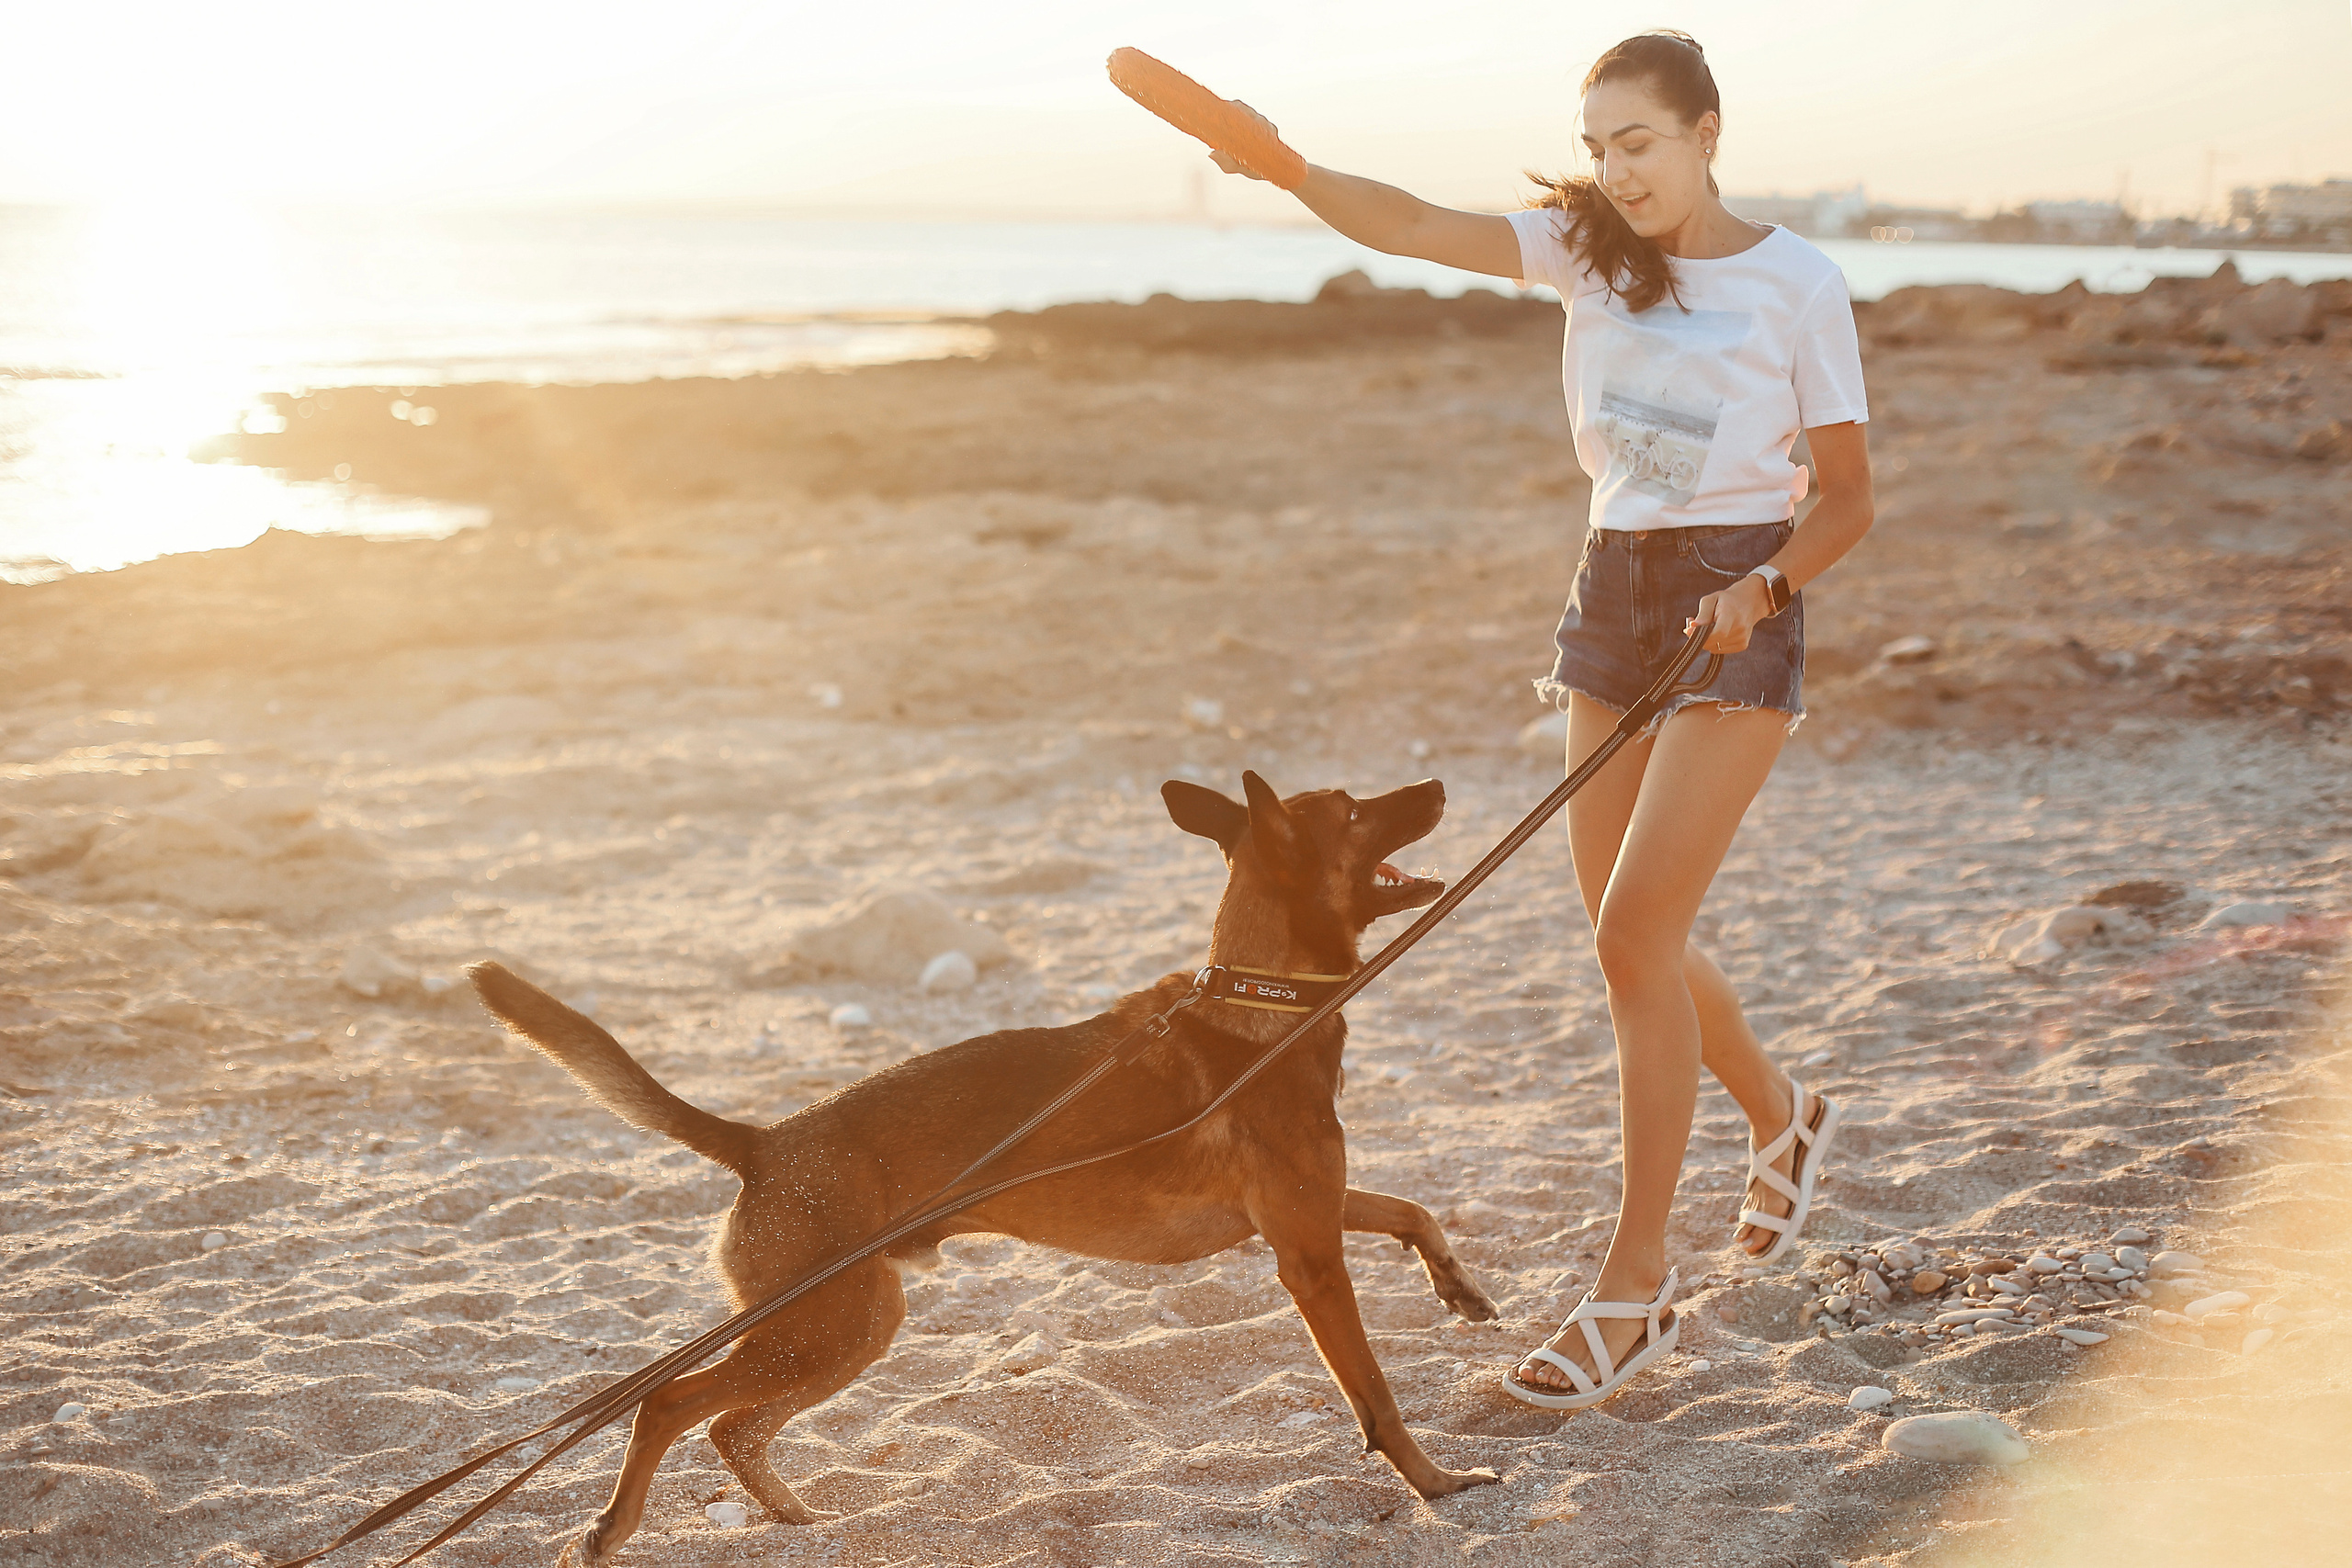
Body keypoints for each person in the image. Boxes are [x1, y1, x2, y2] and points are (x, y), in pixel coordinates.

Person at [1205, 29, 1872, 1408]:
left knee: (1636, 933)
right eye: (1598, 146)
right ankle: (1780, 1113)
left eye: (1640, 140)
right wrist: (1281, 166)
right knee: (1629, 929)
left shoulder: (1799, 282)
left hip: (1735, 605)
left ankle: (1633, 1295)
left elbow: (1851, 497)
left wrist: (1764, 585)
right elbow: (1404, 221)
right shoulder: (1586, 250)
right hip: (1611, 598)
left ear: (1705, 133)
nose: (1617, 170)